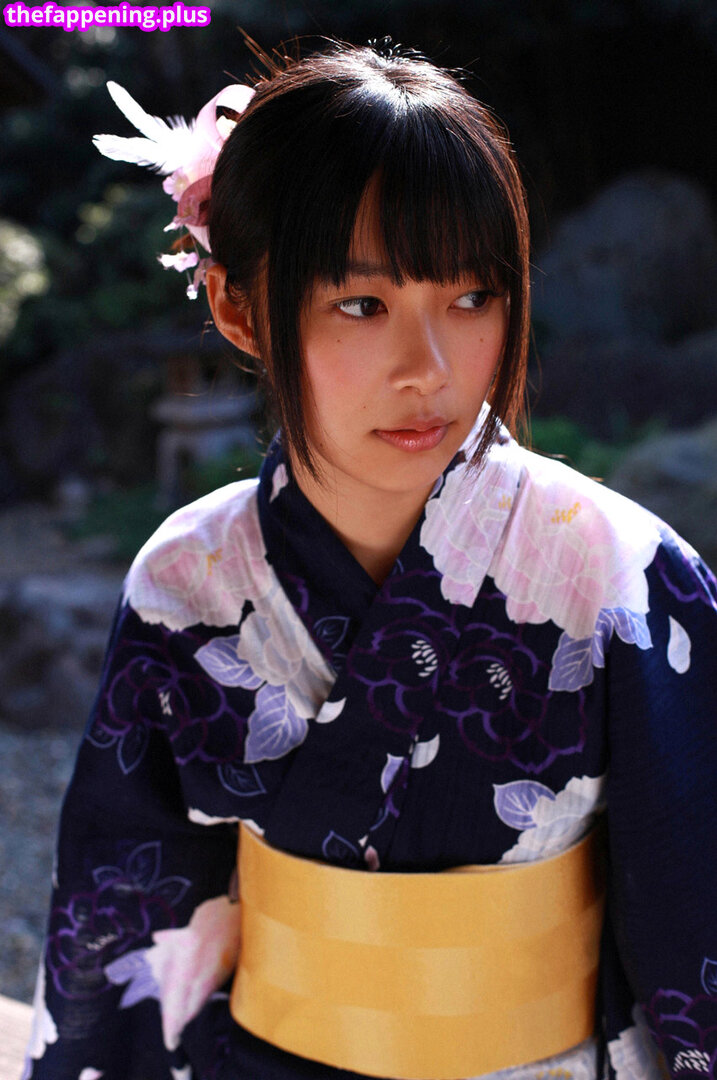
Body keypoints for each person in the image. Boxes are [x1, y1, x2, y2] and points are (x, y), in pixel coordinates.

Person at [23, 40, 717, 1080]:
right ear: (239, 308)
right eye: (362, 305)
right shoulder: (186, 582)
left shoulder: (618, 574)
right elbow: (119, 935)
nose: (427, 369)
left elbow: (694, 912)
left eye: (472, 299)